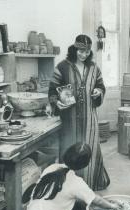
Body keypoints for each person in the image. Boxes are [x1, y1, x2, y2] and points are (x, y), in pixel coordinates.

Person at [48, 34, 109, 191]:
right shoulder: (62, 67)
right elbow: (52, 91)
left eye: (87, 52)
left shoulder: (94, 68)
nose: (83, 54)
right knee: (69, 149)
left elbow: (101, 86)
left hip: (90, 119)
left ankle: (90, 184)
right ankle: (67, 187)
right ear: (74, 49)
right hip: (70, 120)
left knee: (90, 149)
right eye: (80, 51)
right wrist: (56, 102)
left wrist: (98, 91)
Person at [24, 143, 118, 210]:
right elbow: (98, 200)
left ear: (66, 154)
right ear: (85, 164)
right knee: (83, 206)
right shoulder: (76, 183)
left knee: (78, 202)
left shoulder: (51, 168)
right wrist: (113, 206)